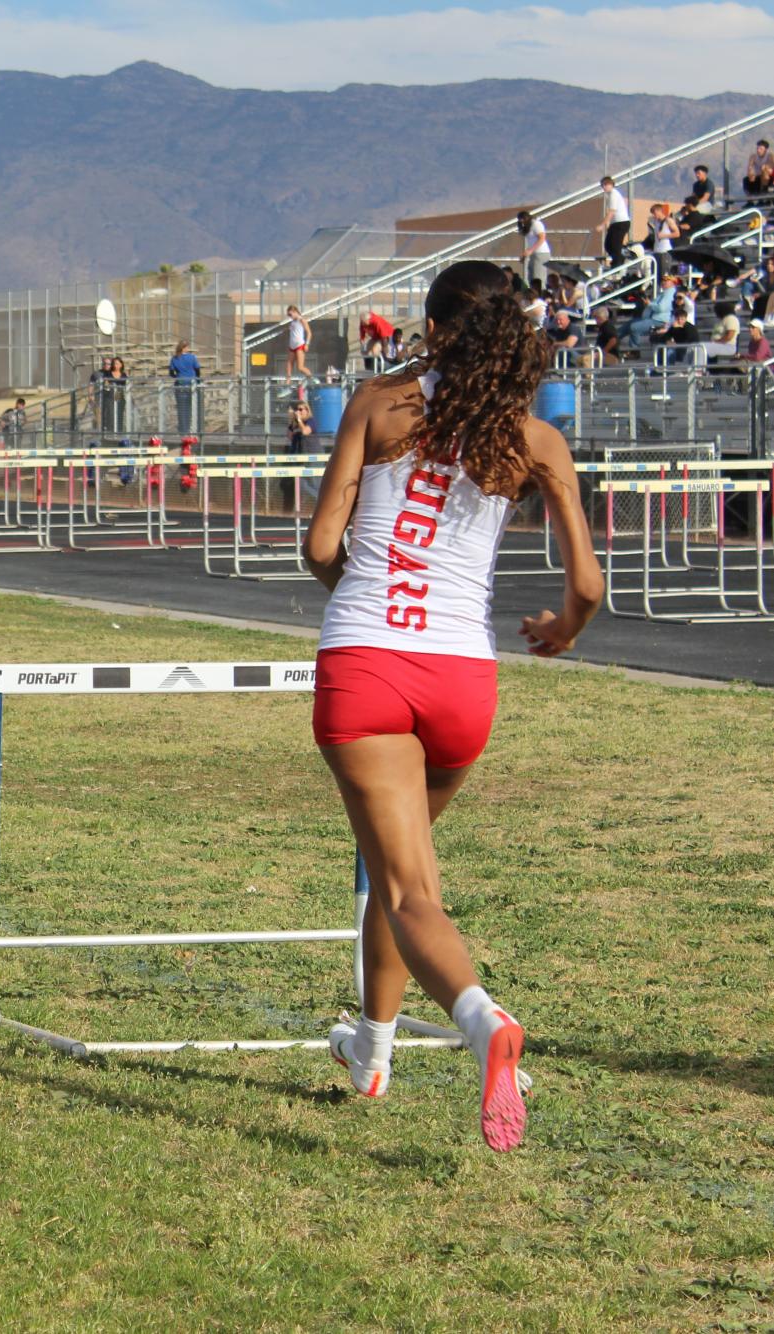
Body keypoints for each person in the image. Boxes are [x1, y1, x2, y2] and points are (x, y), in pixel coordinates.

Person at [303, 258, 601, 1153]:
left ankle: (481, 1022)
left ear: (431, 332)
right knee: (399, 872)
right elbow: (585, 582)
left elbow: (321, 545)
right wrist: (559, 630)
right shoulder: (534, 439)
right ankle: (372, 1053)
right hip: (460, 678)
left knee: (406, 887)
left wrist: (347, 583)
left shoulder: (377, 406)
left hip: (368, 664)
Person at [592, 175, 632, 264]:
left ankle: (619, 261)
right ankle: (618, 259)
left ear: (611, 184)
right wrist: (608, 224)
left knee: (615, 245)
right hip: (615, 223)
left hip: (621, 223)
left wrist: (602, 225)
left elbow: (612, 211)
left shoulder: (614, 194)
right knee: (608, 245)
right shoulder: (609, 196)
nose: (604, 187)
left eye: (606, 185)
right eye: (602, 185)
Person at [168, 340, 201, 434]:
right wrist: (197, 378)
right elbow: (197, 369)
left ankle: (183, 429)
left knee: (182, 407)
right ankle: (193, 429)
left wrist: (177, 377)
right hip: (192, 384)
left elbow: (171, 372)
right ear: (185, 347)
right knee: (193, 406)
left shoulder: (175, 358)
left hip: (180, 384)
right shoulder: (192, 357)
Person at [517, 210, 550, 290]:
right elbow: (531, 242)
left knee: (538, 276)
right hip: (533, 253)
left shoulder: (536, 224)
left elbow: (542, 238)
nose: (522, 222)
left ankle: (541, 296)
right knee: (531, 277)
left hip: (540, 253)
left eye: (523, 219)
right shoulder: (528, 227)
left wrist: (530, 250)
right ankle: (533, 293)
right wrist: (526, 254)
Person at [284, 305, 310, 381]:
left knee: (300, 367)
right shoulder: (292, 322)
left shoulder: (301, 320)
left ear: (295, 312)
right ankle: (287, 385)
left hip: (299, 345)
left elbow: (309, 332)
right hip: (292, 346)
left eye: (290, 314)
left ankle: (312, 378)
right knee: (289, 367)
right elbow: (293, 330)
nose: (290, 316)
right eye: (288, 315)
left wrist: (307, 344)